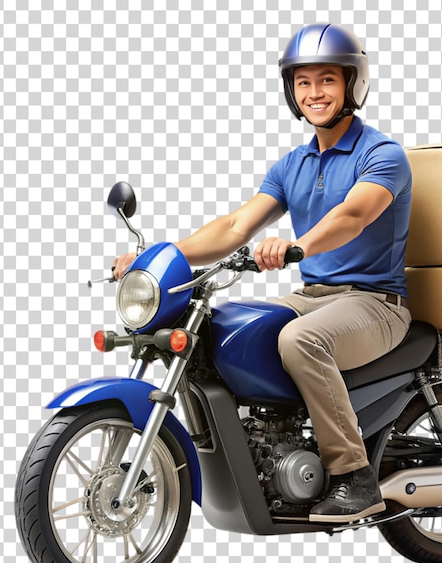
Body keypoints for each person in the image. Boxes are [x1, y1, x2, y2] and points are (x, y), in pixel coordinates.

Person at [113, 23, 412, 523]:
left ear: (352, 85)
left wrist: (297, 245)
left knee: (300, 342)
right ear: (291, 91)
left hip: (377, 303)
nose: (314, 93)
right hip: (314, 294)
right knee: (223, 328)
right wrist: (160, 259)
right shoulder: (291, 165)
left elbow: (353, 215)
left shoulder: (382, 155)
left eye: (327, 80)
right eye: (303, 82)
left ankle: (354, 476)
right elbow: (235, 226)